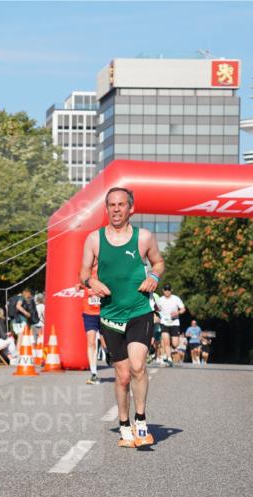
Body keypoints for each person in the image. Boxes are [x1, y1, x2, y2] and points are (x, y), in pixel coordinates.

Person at [79, 186, 164, 448]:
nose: (116, 209)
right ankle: (124, 424)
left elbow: (159, 262)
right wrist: (91, 282)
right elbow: (83, 273)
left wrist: (154, 276)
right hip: (110, 315)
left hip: (139, 311)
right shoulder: (94, 239)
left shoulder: (143, 237)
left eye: (121, 204)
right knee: (123, 375)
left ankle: (141, 422)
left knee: (138, 366)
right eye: (112, 205)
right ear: (106, 208)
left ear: (131, 208)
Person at [155, 283, 185, 366]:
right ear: (163, 290)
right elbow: (155, 310)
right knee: (166, 342)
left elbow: (183, 309)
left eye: (168, 290)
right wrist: (156, 316)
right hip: (164, 322)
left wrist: (178, 312)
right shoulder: (160, 300)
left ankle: (171, 350)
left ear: (171, 290)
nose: (167, 291)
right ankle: (169, 358)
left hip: (174, 323)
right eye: (165, 290)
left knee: (175, 344)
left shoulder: (176, 299)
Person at [79, 278, 102, 384]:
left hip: (104, 313)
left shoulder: (104, 273)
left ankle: (108, 354)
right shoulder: (85, 276)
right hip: (89, 314)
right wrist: (79, 286)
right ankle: (93, 373)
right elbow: (81, 283)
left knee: (106, 343)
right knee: (91, 342)